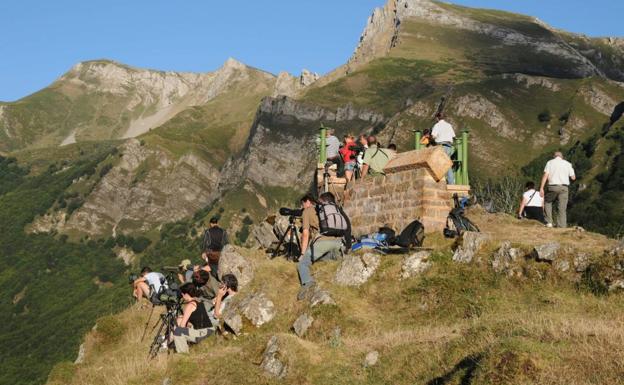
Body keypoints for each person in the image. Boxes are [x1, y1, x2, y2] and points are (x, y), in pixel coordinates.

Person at [297, 193, 345, 300]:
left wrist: (302, 254)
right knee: (320, 259)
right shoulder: (330, 209)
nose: (302, 207)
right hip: (338, 241)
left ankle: (308, 284)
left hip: (322, 242)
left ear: (307, 202)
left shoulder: (307, 211)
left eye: (302, 204)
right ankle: (332, 256)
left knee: (302, 264)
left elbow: (305, 234)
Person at [172, 283, 214, 354]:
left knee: (178, 331)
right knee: (180, 319)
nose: (182, 296)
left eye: (182, 294)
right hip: (209, 329)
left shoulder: (190, 305)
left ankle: (183, 353)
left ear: (186, 294)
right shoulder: (198, 301)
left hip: (203, 332)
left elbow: (182, 326)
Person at [539, 151, 576, 228]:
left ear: (554, 156)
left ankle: (549, 222)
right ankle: (561, 225)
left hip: (553, 186)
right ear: (562, 157)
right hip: (564, 187)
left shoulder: (550, 162)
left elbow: (545, 175)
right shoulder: (568, 164)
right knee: (562, 208)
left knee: (547, 201)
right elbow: (573, 177)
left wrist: (541, 188)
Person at [431, 113, 456, 184]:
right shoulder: (449, 125)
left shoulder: (437, 125)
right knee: (447, 164)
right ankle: (451, 183)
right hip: (449, 147)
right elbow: (453, 136)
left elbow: (433, 136)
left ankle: (440, 183)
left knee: (439, 164)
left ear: (437, 118)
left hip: (441, 146)